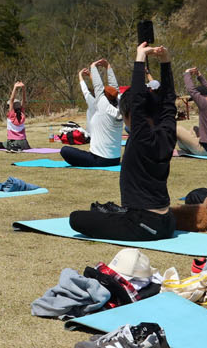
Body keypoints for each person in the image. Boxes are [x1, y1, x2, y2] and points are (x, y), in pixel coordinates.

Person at [68, 42, 178, 242]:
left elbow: (138, 100)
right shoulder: (168, 131)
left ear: (131, 115)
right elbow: (169, 100)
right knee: (106, 214)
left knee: (76, 219)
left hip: (144, 224)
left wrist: (140, 59)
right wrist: (165, 61)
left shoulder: (142, 136)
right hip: (167, 221)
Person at [61, 59, 123, 167]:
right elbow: (115, 89)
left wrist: (93, 67)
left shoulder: (104, 107)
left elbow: (98, 87)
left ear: (104, 97)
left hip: (100, 160)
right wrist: (108, 67)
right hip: (116, 159)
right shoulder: (121, 106)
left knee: (65, 150)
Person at [0, 82, 29, 150]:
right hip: (24, 143)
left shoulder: (11, 115)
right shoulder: (22, 114)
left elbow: (11, 100)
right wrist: (23, 89)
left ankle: (13, 147)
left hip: (14, 142)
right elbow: (24, 100)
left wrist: (15, 87)